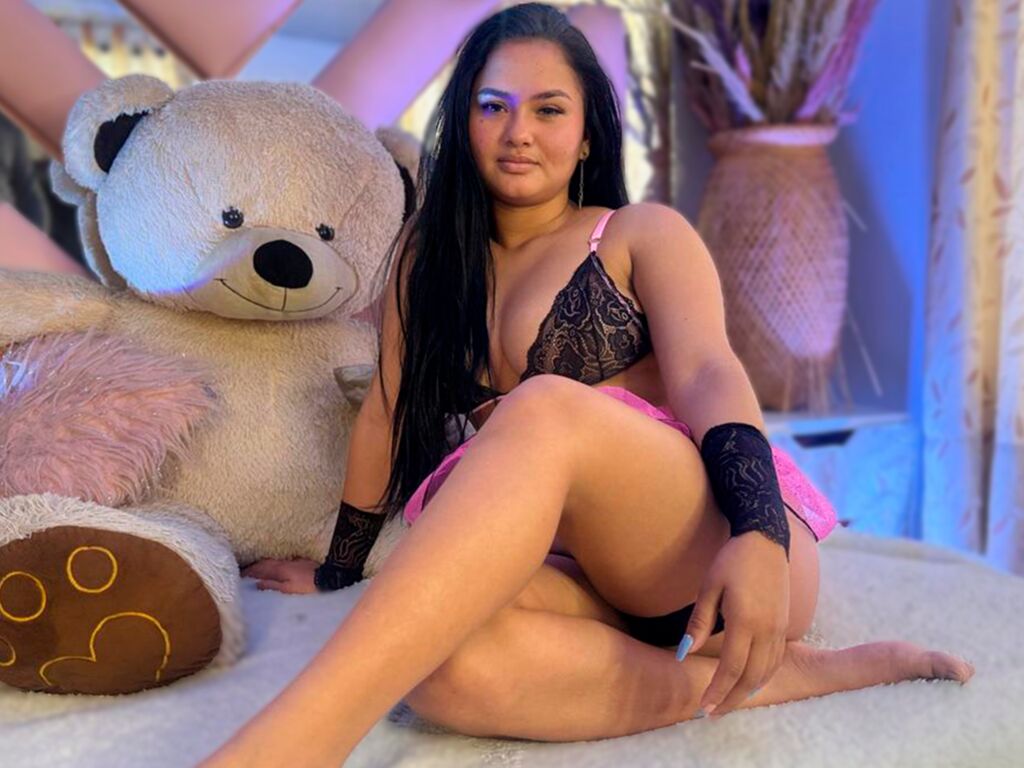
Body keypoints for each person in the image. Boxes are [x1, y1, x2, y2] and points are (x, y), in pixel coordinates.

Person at [201, 5, 972, 766]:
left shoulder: (640, 235)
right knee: (438, 666)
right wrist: (338, 569)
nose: (518, 131)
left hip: (707, 546)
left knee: (542, 408)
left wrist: (760, 534)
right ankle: (794, 678)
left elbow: (710, 372)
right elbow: (387, 411)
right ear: (463, 120)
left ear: (588, 134)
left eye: (548, 109)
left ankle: (286, 750)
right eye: (493, 106)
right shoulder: (425, 258)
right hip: (586, 577)